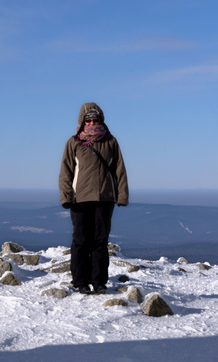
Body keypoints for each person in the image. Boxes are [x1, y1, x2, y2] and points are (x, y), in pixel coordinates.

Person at [59, 103, 130, 294]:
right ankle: (80, 281)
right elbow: (66, 172)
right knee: (81, 240)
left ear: (101, 120)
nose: (91, 123)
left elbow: (119, 170)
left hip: (104, 198)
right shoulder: (74, 142)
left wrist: (121, 195)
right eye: (88, 120)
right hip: (79, 199)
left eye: (95, 120)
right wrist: (66, 196)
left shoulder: (111, 142)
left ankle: (99, 281)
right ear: (82, 121)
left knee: (100, 241)